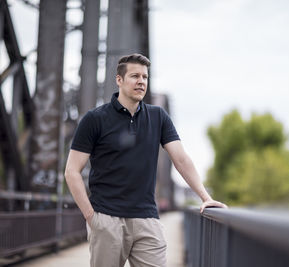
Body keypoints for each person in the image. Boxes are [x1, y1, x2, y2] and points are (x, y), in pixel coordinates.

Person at [64, 53, 227, 267]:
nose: (141, 81)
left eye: (145, 77)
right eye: (134, 76)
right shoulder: (95, 119)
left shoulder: (158, 117)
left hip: (147, 219)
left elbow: (181, 159)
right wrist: (91, 217)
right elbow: (72, 171)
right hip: (106, 219)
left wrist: (205, 197)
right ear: (119, 80)